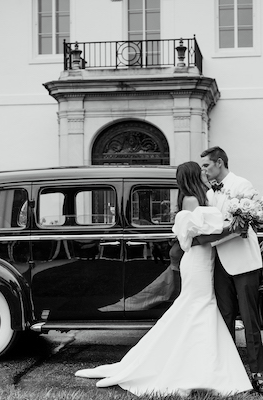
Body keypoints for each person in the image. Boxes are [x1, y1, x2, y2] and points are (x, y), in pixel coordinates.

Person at [74, 161, 253, 397]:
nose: (204, 172)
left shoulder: (205, 195)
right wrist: (232, 229)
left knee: (197, 308)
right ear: (191, 175)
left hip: (206, 260)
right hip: (197, 261)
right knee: (198, 306)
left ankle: (202, 369)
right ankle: (197, 371)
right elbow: (196, 238)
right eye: (199, 170)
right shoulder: (190, 199)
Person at [199, 145, 263, 394]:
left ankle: (257, 373)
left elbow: (241, 228)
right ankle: (229, 373)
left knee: (250, 320)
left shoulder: (242, 185)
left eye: (206, 165)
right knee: (224, 319)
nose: (204, 170)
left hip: (244, 263)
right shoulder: (209, 194)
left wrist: (213, 238)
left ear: (219, 162)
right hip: (219, 264)